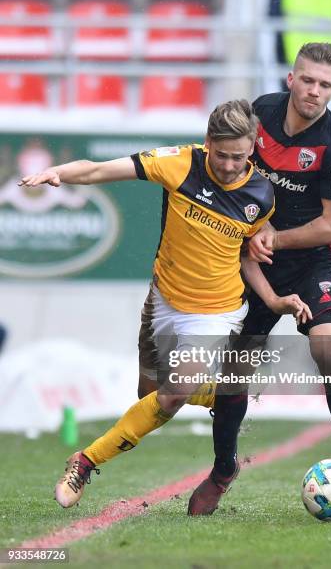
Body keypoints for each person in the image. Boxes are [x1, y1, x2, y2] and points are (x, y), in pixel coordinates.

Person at [19, 99, 311, 510]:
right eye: (223, 155)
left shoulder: (261, 194)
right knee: (151, 396)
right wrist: (59, 174)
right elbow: (102, 169)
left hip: (218, 312)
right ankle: (225, 395)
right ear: (208, 142)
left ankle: (84, 461)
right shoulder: (178, 163)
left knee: (172, 395)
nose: (230, 166)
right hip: (164, 303)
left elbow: (247, 254)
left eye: (241, 157)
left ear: (252, 151)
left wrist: (273, 300)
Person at [188, 42, 331, 516]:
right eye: (307, 80)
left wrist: (272, 237)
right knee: (235, 369)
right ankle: (223, 470)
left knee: (330, 350)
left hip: (312, 261)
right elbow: (224, 162)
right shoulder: (259, 114)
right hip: (257, 261)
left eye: (325, 84)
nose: (315, 91)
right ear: (291, 78)